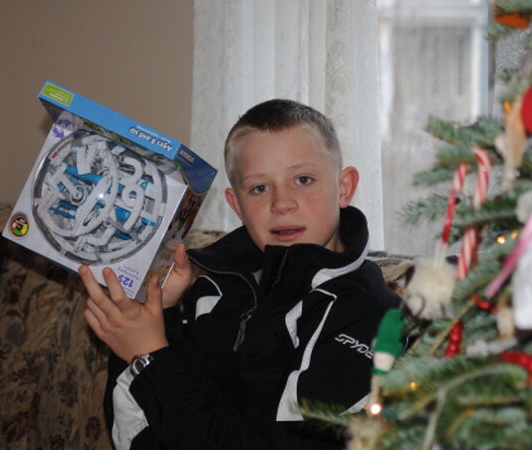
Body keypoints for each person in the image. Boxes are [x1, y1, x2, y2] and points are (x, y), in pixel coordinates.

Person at [79, 99, 401, 449]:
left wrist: (148, 356)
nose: (282, 203)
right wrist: (159, 315)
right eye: (259, 188)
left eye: (303, 180)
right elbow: (147, 423)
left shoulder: (369, 316)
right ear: (237, 205)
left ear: (344, 187)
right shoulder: (216, 285)